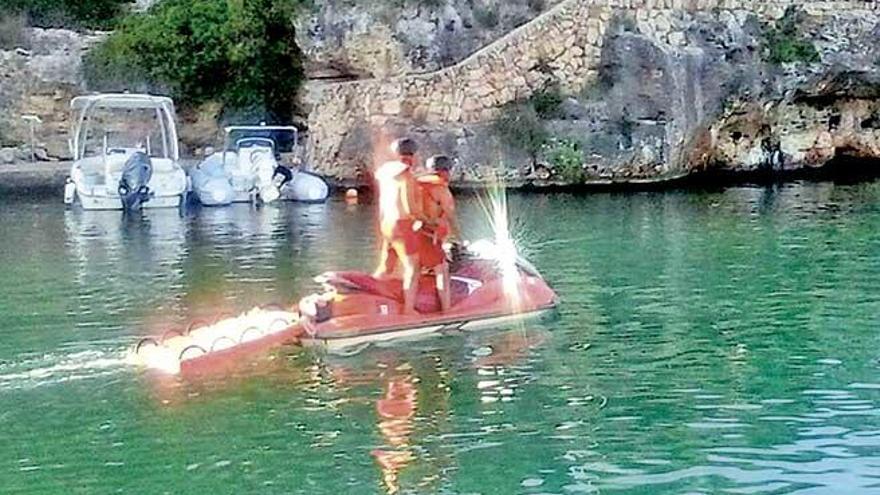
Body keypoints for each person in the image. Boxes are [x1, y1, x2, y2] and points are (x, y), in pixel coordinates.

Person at [374, 138, 423, 314]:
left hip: (386, 222)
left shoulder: (385, 172)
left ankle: (368, 296)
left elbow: (382, 200)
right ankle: (409, 310)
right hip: (402, 224)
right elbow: (410, 207)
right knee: (413, 267)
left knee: (386, 267)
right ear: (414, 155)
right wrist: (425, 220)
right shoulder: (406, 175)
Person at [416, 155, 459, 312]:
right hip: (430, 236)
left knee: (414, 269)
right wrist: (461, 238)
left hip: (413, 234)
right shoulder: (441, 188)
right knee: (442, 271)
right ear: (446, 171)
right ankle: (446, 311)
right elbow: (451, 216)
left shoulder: (416, 183)